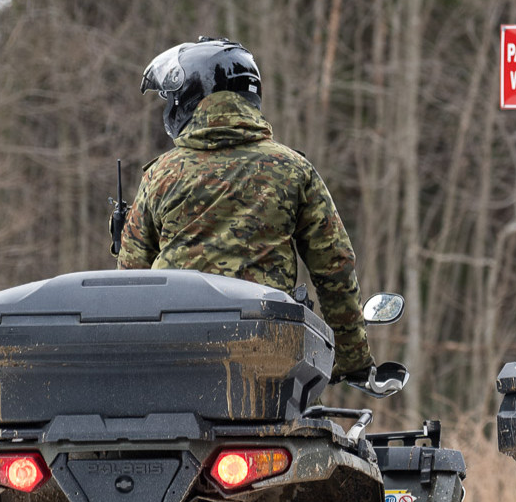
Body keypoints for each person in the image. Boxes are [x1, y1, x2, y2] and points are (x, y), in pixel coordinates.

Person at [120, 37, 373, 380]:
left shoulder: (160, 174)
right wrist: (352, 360)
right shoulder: (292, 169)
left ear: (190, 98)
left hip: (173, 356)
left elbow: (130, 279)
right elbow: (335, 268)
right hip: (267, 354)